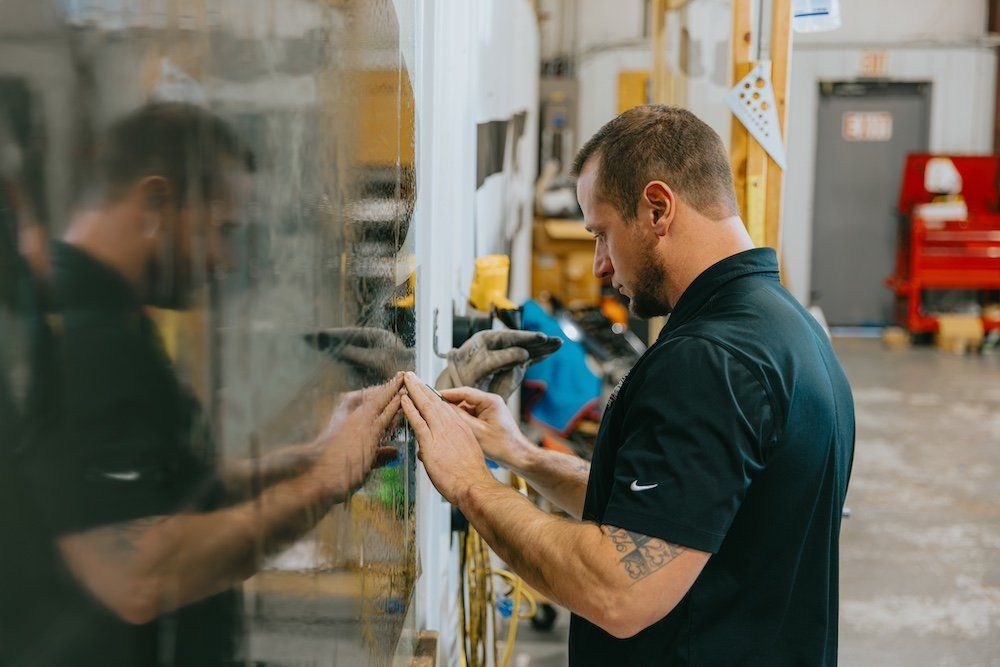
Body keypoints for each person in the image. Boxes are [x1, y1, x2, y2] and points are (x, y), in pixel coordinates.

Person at [402, 105, 855, 666]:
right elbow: (672, 511)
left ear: (658, 209)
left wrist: (469, 484)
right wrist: (519, 455)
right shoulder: (788, 329)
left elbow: (618, 591)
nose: (599, 265)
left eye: (601, 234)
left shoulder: (710, 362)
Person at [3, 102, 403, 666]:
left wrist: (310, 459)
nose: (225, 259)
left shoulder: (108, 315)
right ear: (155, 202)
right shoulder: (82, 337)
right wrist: (325, 483)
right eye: (222, 230)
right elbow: (136, 574)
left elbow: (157, 494)